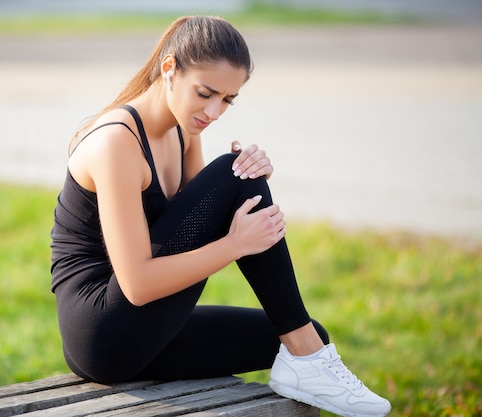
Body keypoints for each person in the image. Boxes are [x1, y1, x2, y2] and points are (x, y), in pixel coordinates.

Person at [50, 15, 391, 417]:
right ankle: (312, 361)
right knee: (236, 174)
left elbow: (201, 219)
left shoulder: (184, 129)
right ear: (169, 69)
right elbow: (138, 284)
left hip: (141, 337)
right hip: (103, 334)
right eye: (205, 93)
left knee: (305, 335)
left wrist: (247, 177)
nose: (213, 111)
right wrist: (235, 241)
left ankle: (311, 359)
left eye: (227, 100)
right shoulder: (116, 143)